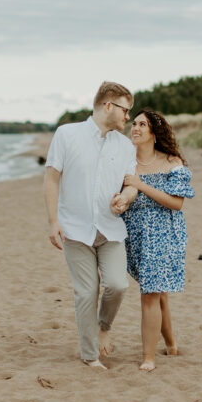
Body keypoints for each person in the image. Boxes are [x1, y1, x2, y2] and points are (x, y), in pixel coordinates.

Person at [44, 82, 136, 369]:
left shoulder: (124, 145)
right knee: (86, 292)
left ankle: (103, 326)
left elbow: (131, 185)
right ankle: (90, 356)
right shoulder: (67, 134)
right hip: (74, 229)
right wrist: (52, 221)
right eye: (125, 110)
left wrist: (125, 198)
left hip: (111, 229)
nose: (128, 117)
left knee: (117, 285)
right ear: (108, 106)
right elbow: (51, 178)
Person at [114, 110, 194, 371]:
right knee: (157, 294)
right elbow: (122, 192)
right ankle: (171, 343)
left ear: (154, 133)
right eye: (133, 123)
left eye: (142, 125)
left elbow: (176, 203)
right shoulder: (125, 161)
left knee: (150, 293)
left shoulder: (172, 162)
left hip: (164, 234)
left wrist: (142, 185)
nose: (135, 128)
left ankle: (148, 357)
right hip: (135, 234)